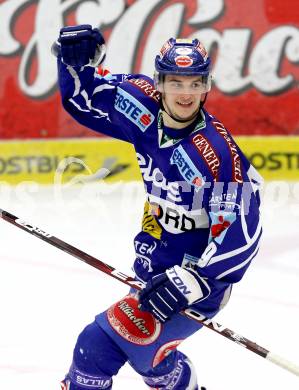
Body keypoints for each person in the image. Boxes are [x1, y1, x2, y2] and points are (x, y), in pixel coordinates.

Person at [54, 25, 263, 390]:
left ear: (207, 86)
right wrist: (74, 64)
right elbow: (84, 98)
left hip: (197, 285)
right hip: (155, 270)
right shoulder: (140, 102)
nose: (186, 93)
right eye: (176, 82)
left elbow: (242, 235)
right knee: (150, 362)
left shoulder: (216, 155)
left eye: (195, 83)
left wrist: (195, 280)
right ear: (159, 82)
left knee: (97, 347)